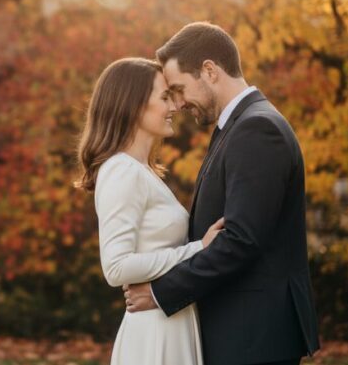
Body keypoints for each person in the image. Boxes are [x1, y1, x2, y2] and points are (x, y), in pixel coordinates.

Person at [123, 22, 321, 365]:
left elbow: (241, 240)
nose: (179, 104)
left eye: (180, 89)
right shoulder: (237, 127)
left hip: (253, 337)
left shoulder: (257, 129)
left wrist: (160, 292)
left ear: (210, 71)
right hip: (244, 333)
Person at [76, 57, 225, 365]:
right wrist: (198, 249)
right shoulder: (121, 170)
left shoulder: (142, 172)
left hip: (171, 319)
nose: (175, 106)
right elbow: (116, 267)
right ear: (133, 105)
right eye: (165, 97)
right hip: (155, 330)